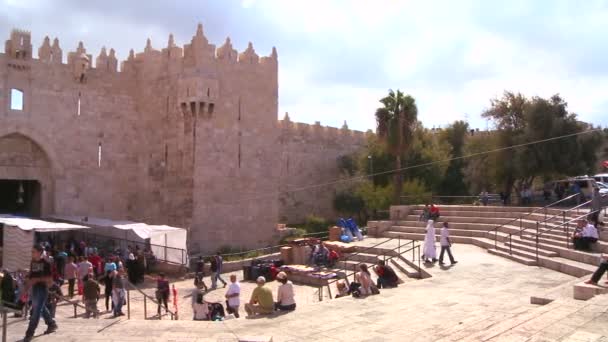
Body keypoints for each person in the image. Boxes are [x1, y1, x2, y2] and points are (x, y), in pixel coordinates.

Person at [22, 244, 58, 342]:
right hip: (34, 288)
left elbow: (50, 279)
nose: (32, 253)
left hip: (42, 289)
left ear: (39, 252)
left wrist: (36, 279)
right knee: (40, 308)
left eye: (33, 251)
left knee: (36, 311)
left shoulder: (46, 263)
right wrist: (26, 286)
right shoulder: (32, 262)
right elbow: (32, 275)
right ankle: (51, 324)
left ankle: (29, 333)